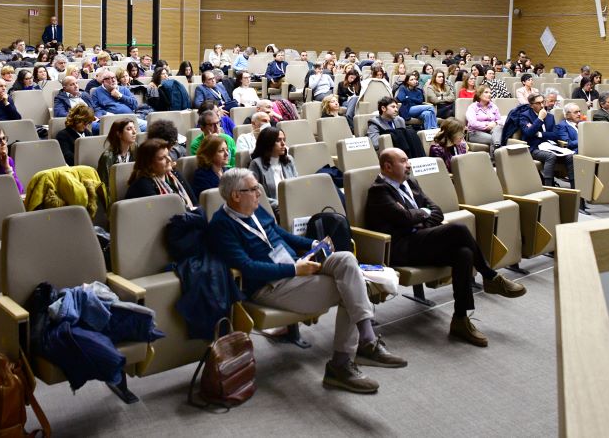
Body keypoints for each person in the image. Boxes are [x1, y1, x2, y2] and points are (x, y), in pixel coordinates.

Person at [208, 168, 406, 394]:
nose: (259, 194)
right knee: (351, 287)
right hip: (270, 285)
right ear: (235, 195)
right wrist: (293, 269)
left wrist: (312, 244)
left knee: (346, 259)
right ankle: (343, 363)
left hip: (296, 268)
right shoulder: (221, 226)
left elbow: (279, 234)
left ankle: (366, 340)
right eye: (254, 189)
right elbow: (247, 268)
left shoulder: (255, 209)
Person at [365, 148, 526, 347]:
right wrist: (419, 216)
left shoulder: (411, 183)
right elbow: (404, 218)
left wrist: (419, 218)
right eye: (403, 161)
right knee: (458, 229)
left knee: (464, 253)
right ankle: (489, 275)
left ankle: (460, 319)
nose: (409, 165)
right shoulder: (379, 190)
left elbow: (436, 212)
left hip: (421, 239)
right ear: (388, 166)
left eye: (408, 160)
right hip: (401, 248)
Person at [518, 93, 574, 187]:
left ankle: (574, 188)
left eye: (543, 102)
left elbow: (556, 135)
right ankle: (549, 187)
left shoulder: (550, 116)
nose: (542, 105)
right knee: (550, 156)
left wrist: (540, 134)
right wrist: (540, 119)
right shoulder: (524, 116)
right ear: (531, 105)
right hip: (534, 147)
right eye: (538, 103)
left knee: (570, 156)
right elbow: (529, 133)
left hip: (550, 146)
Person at [125, 138, 197, 209]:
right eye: (162, 158)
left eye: (168, 155)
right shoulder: (143, 185)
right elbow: (161, 215)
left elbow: (195, 203)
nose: (169, 159)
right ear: (149, 164)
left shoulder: (175, 174)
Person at [248, 126, 297, 209]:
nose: (283, 144)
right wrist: (282, 205)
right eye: (278, 140)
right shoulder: (256, 164)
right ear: (268, 143)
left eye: (283, 140)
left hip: (293, 205)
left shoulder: (289, 160)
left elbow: (297, 185)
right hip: (272, 210)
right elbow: (254, 194)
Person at [97, 117, 137, 191]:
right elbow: (104, 187)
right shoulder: (107, 157)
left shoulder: (136, 150)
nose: (134, 132)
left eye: (134, 128)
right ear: (119, 134)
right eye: (129, 129)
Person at [465, 87, 503, 152]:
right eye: (486, 92)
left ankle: (496, 151)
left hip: (492, 131)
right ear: (479, 95)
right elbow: (473, 123)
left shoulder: (493, 106)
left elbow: (500, 120)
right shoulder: (472, 107)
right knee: (495, 139)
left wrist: (495, 123)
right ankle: (495, 158)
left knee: (499, 127)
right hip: (475, 133)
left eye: (490, 93)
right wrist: (487, 125)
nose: (489, 94)